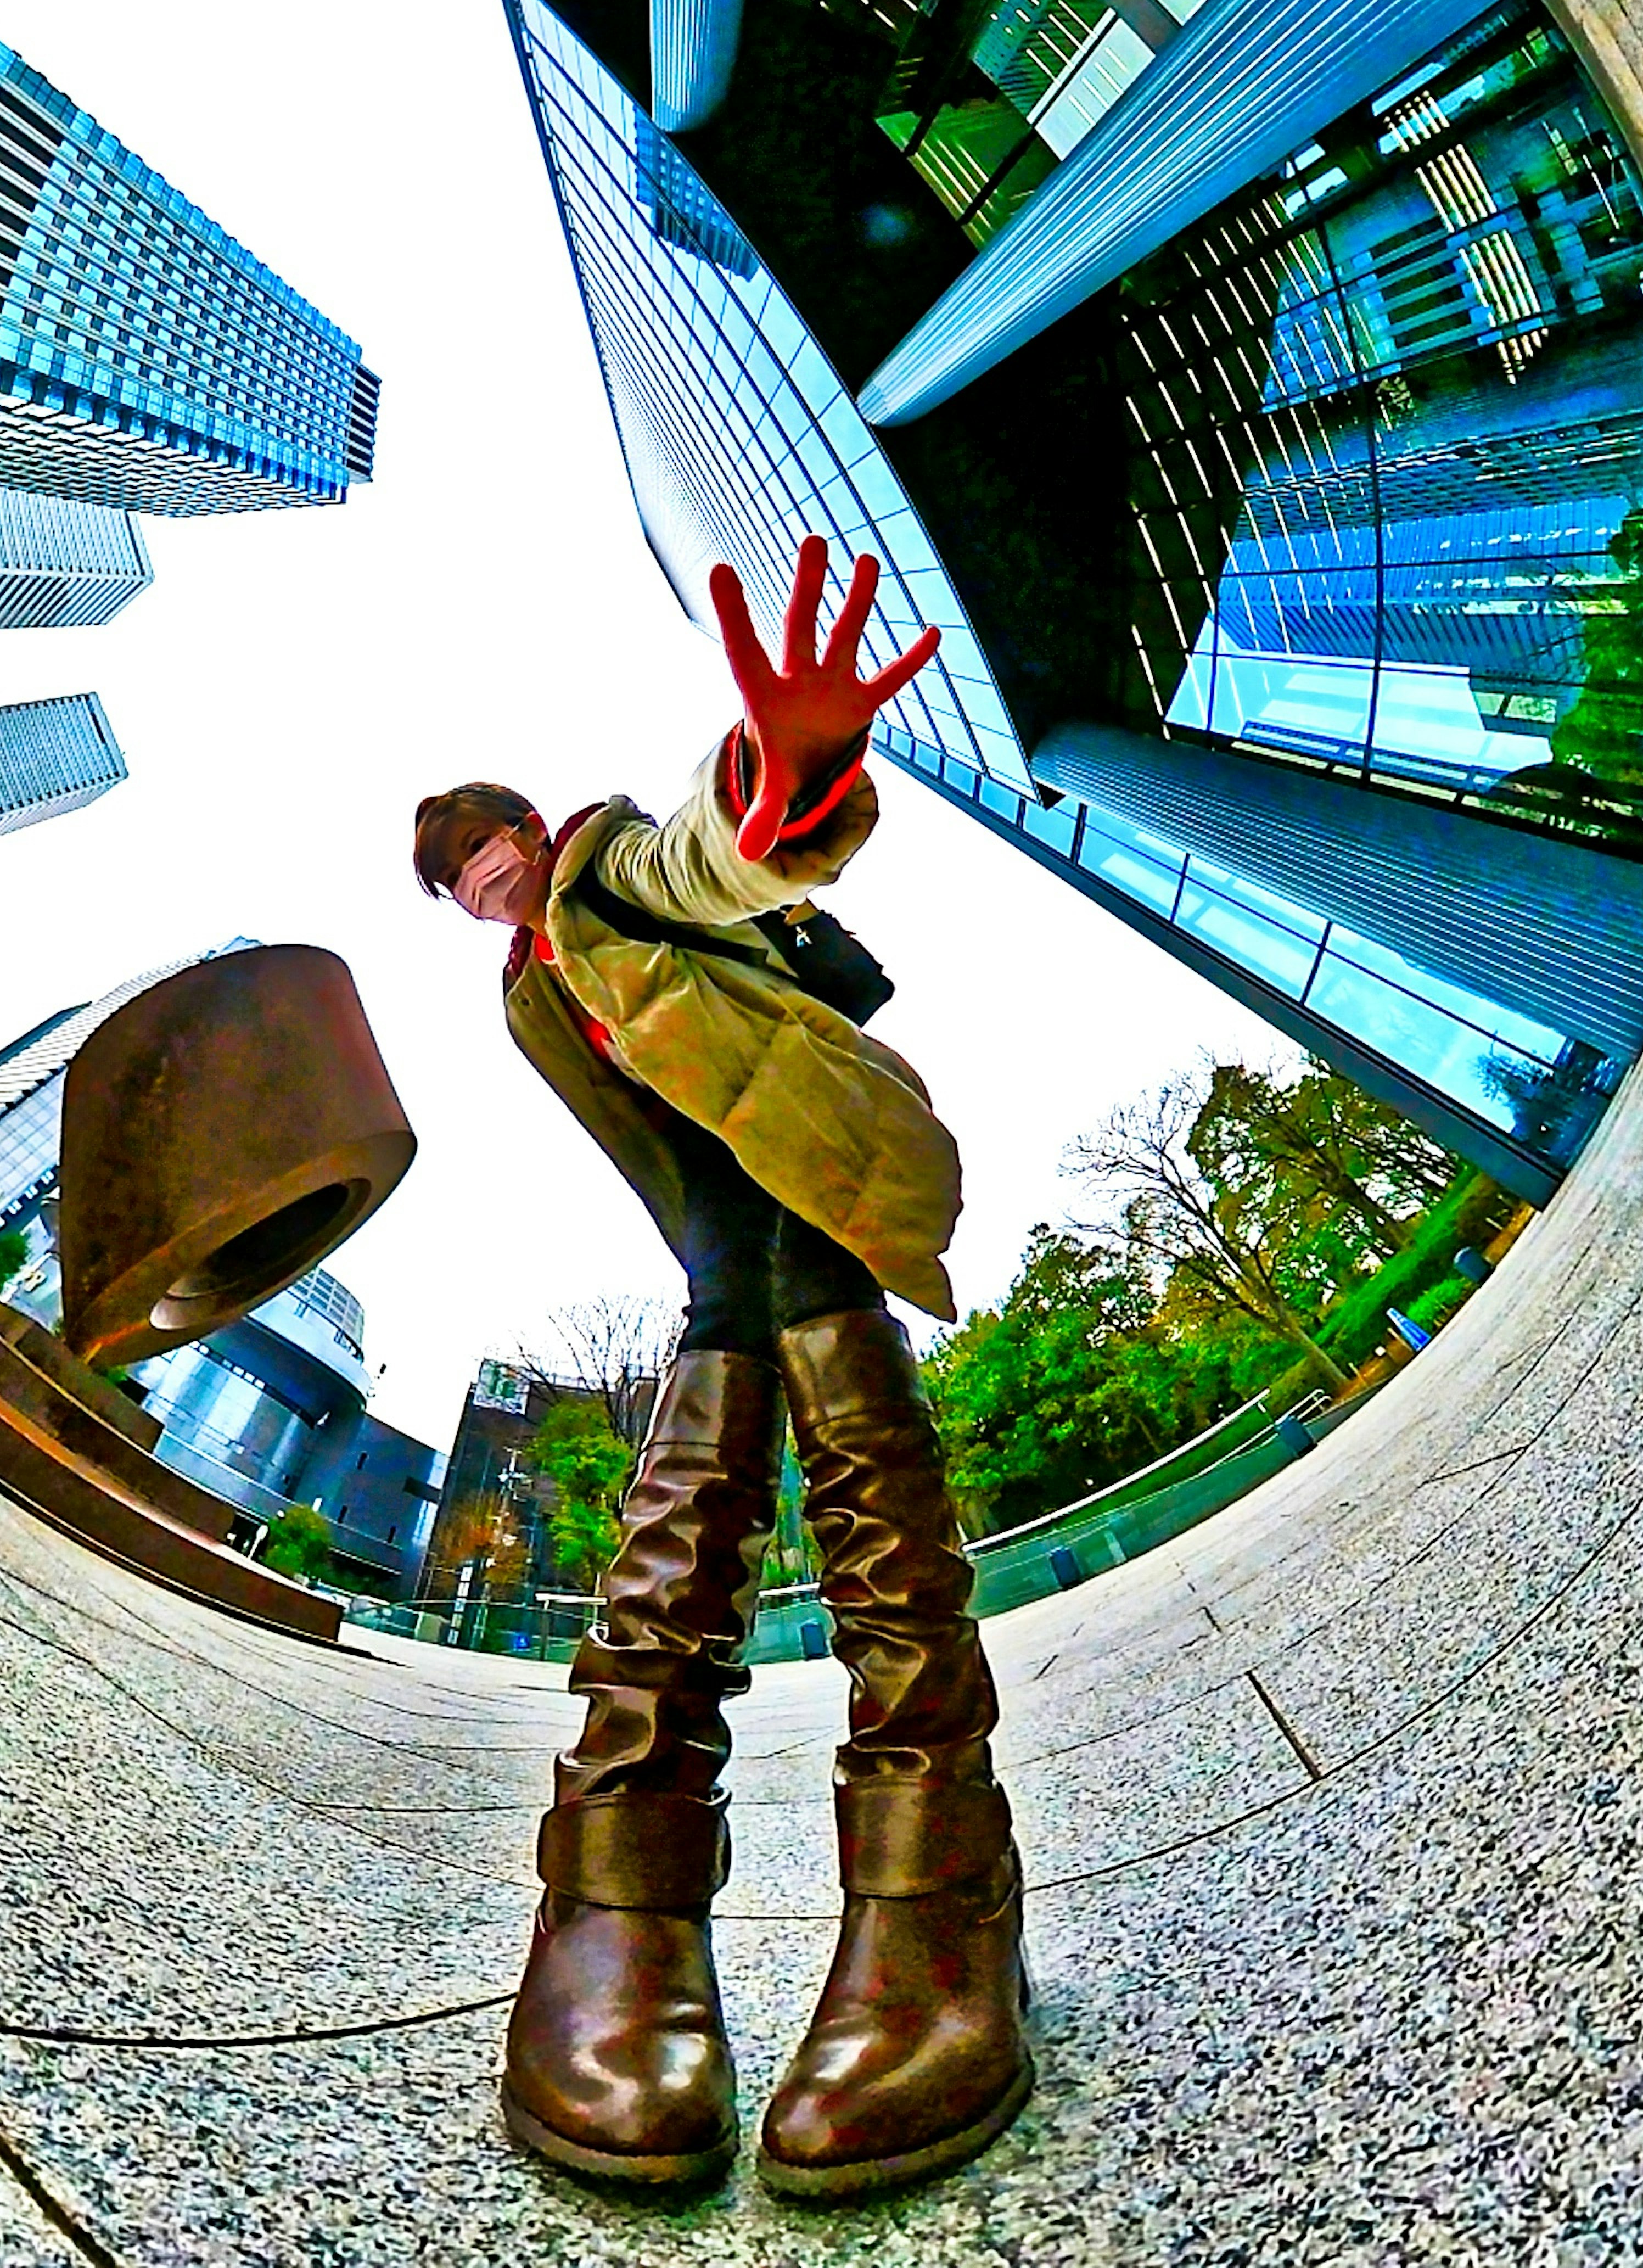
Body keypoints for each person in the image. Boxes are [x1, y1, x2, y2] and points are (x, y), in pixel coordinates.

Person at [413, 537, 1030, 2205]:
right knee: (724, 1417)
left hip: (805, 1150)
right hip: (721, 1226)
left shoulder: (607, 862)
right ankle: (624, 1886)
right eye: (471, 893)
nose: (500, 893)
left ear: (539, 833)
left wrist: (785, 776)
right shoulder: (526, 1001)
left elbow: (707, 859)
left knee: (831, 1447)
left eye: (499, 860)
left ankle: (929, 1877)